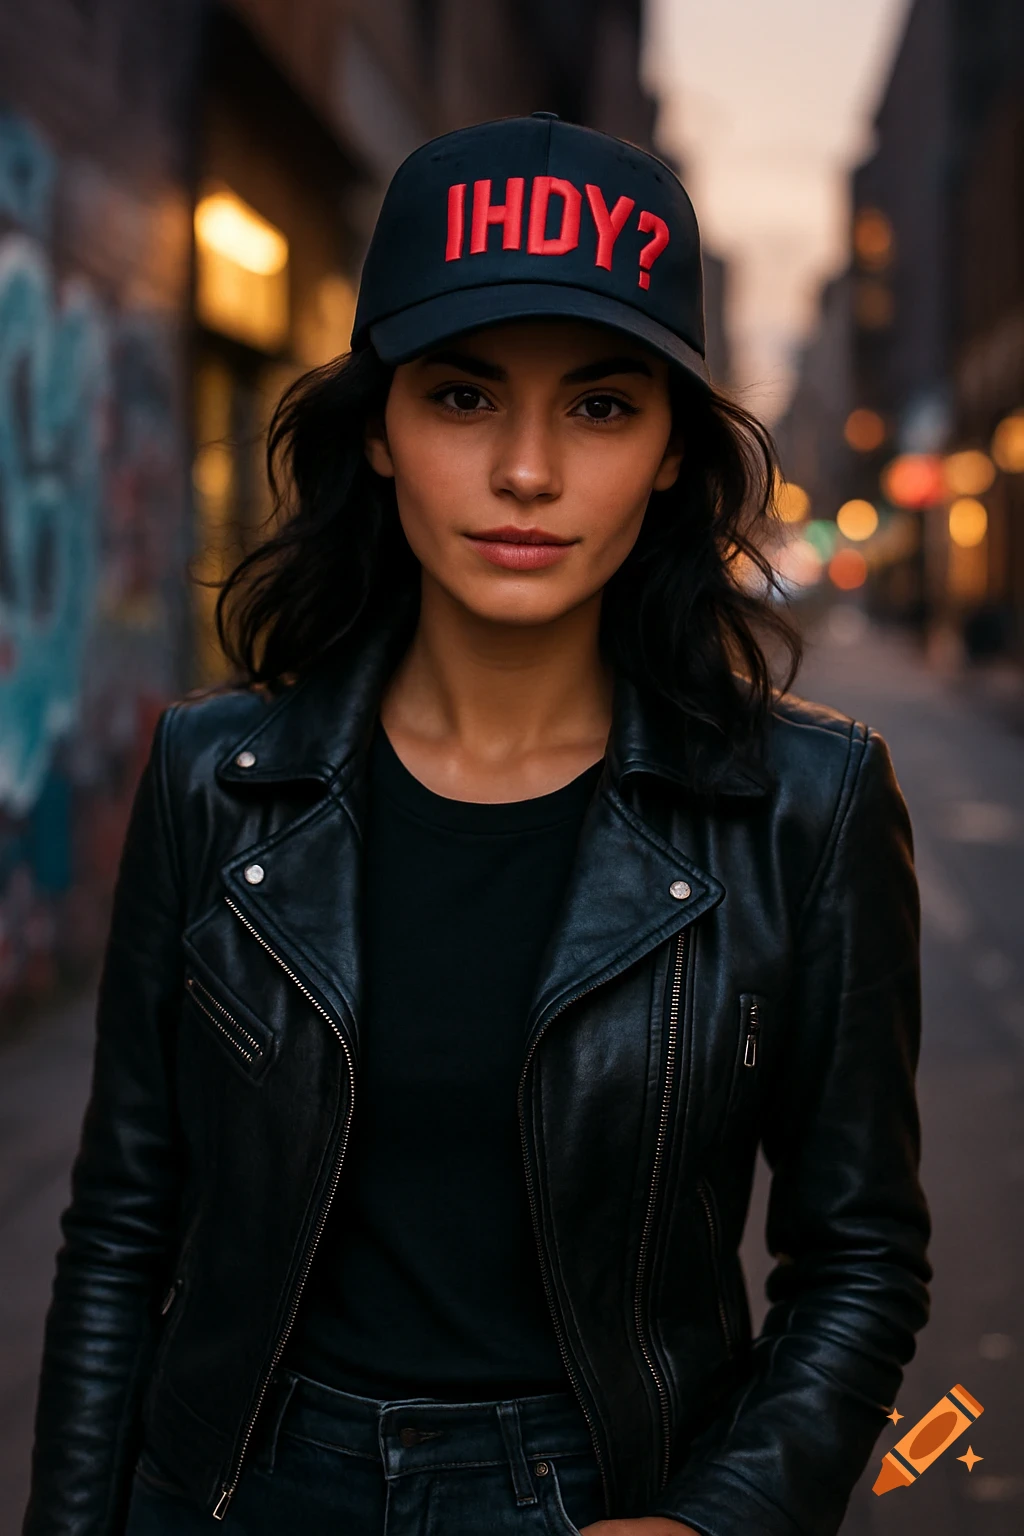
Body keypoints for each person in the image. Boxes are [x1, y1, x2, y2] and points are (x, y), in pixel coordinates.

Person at [22, 114, 932, 1536]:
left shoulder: (804, 812)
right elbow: (125, 1232)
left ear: (674, 456)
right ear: (378, 432)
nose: (526, 470)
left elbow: (862, 1258)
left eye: (600, 405)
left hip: (587, 1494)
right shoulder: (217, 774)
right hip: (234, 1490)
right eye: (461, 397)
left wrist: (723, 1519)